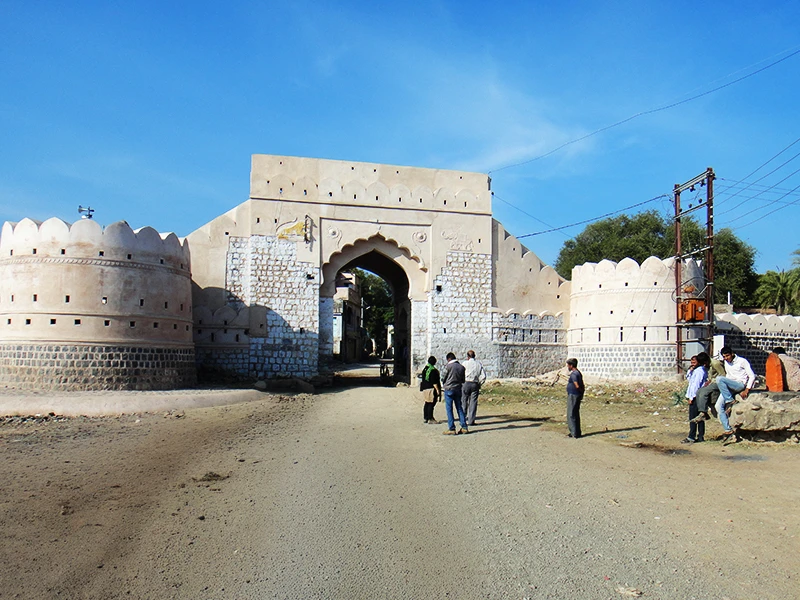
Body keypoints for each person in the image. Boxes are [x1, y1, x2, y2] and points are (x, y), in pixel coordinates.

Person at [713, 346, 756, 435]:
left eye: (727, 356)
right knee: (718, 406)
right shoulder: (726, 362)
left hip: (739, 384)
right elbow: (729, 375)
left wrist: (747, 389)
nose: (726, 358)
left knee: (719, 379)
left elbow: (752, 376)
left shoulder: (742, 361)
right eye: (724, 357)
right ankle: (728, 430)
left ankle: (730, 400)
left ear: (732, 354)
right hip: (730, 386)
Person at [682, 352, 709, 444]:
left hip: (696, 397)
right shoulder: (697, 371)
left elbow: (696, 385)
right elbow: (690, 380)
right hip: (697, 396)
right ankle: (700, 436)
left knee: (693, 417)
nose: (692, 364)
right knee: (699, 417)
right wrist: (690, 370)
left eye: (694, 362)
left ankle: (691, 437)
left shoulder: (699, 371)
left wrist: (691, 397)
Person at [441, 352, 468, 435]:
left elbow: (442, 377)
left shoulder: (448, 367)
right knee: (459, 408)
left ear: (449, 359)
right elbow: (463, 380)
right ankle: (464, 427)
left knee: (449, 409)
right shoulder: (462, 367)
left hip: (449, 389)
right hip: (458, 389)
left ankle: (452, 428)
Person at [461, 350, 487, 427]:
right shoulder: (478, 364)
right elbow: (483, 376)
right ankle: (471, 420)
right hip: (475, 383)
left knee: (464, 401)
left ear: (467, 356)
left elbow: (461, 373)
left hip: (465, 383)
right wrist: (479, 383)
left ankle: (463, 419)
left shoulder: (464, 363)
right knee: (473, 402)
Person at [420, 356, 441, 424]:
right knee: (431, 403)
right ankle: (430, 418)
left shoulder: (425, 368)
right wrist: (438, 390)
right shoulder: (433, 370)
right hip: (431, 388)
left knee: (427, 402)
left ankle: (425, 417)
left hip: (425, 388)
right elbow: (434, 382)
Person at [565, 358, 584, 439]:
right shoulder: (578, 373)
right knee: (575, 413)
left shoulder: (574, 374)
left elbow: (577, 385)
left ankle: (573, 432)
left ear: (571, 365)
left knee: (571, 413)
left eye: (568, 365)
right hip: (576, 395)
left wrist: (579, 391)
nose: (567, 367)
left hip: (573, 395)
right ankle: (577, 431)